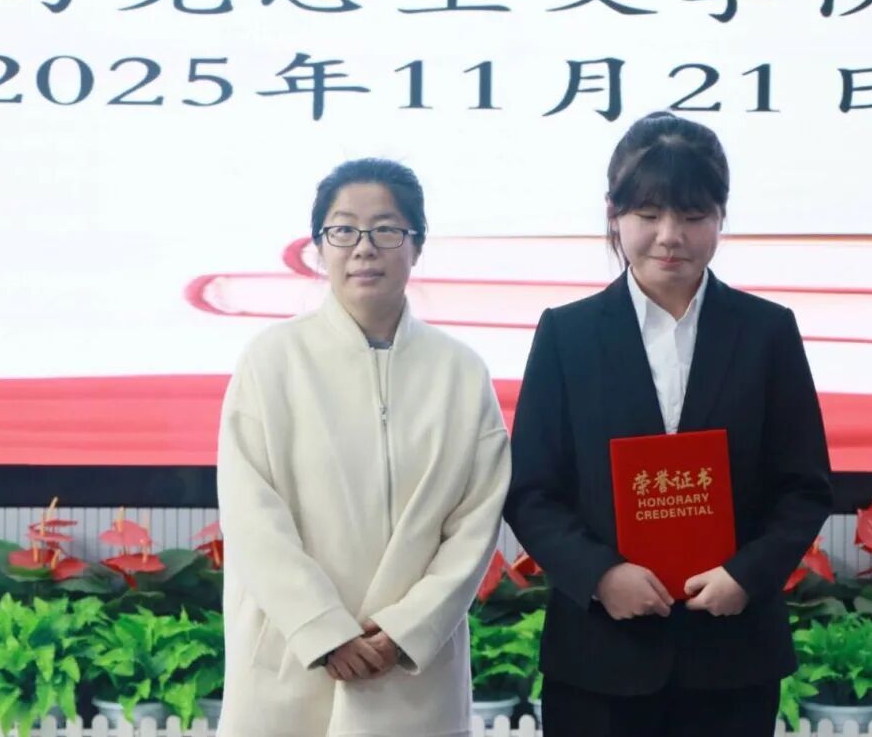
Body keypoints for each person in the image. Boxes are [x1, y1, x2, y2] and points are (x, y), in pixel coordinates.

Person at [504, 112, 834, 736]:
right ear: (614, 215)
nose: (669, 237)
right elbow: (531, 490)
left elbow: (804, 486)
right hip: (600, 656)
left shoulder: (766, 332)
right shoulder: (567, 334)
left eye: (693, 215)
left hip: (731, 655)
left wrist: (747, 576)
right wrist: (600, 576)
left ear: (720, 217)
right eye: (648, 214)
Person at [216, 158, 510, 737]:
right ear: (318, 247)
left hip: (410, 669)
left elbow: (476, 524)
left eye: (386, 229)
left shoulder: (460, 372)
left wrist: (406, 628)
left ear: (417, 246)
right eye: (343, 230)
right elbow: (251, 516)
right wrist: (323, 630)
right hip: (291, 664)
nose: (364, 248)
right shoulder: (272, 361)